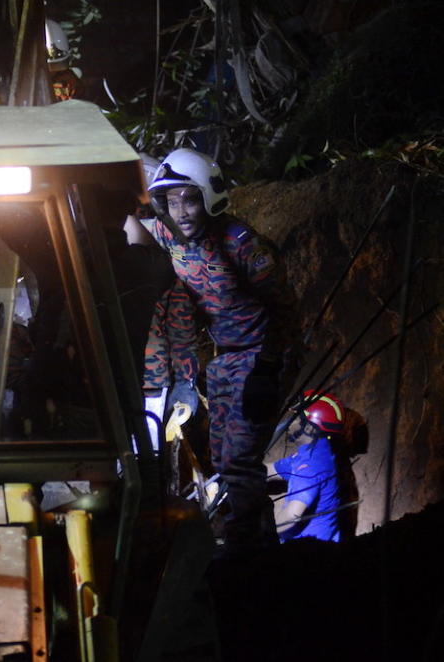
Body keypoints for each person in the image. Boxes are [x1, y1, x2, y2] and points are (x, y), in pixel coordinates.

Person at [127, 147, 299, 554]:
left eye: (190, 198)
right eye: (172, 200)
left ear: (208, 195)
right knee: (223, 461)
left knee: (239, 462)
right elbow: (127, 228)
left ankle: (246, 557)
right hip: (223, 358)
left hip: (260, 354)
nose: (182, 210)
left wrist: (269, 365)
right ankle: (259, 547)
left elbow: (284, 308)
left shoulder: (242, 244)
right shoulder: (168, 234)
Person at [266, 391, 345, 543]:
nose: (290, 422)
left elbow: (291, 516)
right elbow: (271, 470)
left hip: (308, 554)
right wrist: (240, 469)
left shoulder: (311, 465)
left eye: (296, 417)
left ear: (309, 428)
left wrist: (259, 531)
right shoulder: (315, 452)